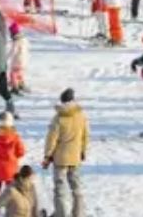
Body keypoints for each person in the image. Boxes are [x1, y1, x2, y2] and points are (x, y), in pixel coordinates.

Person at [43, 88, 89, 217]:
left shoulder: (58, 118)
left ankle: (61, 213)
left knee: (60, 188)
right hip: (75, 157)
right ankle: (78, 213)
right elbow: (85, 135)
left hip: (60, 159)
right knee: (76, 187)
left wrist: (47, 156)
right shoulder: (81, 116)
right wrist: (83, 151)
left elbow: (51, 139)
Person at [0, 111, 27, 203]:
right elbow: (21, 152)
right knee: (12, 193)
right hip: (10, 171)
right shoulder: (15, 137)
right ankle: (12, 208)